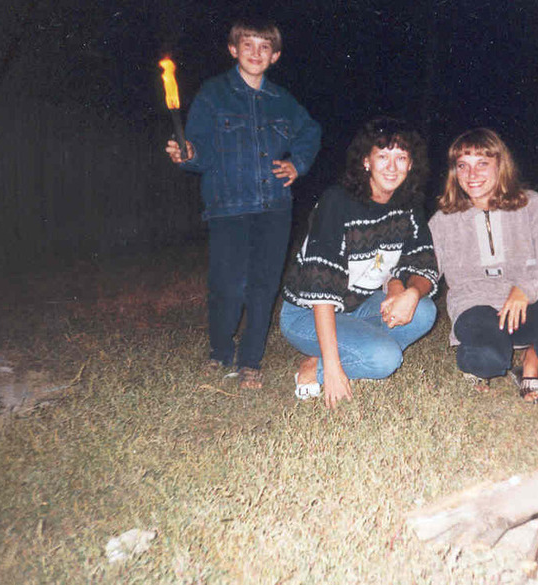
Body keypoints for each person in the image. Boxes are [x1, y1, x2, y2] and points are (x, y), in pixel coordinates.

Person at [165, 17, 321, 389]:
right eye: (247, 45)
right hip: (228, 206)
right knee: (227, 285)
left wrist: (297, 164)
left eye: (264, 46)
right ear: (233, 49)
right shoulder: (213, 94)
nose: (255, 52)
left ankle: (251, 360)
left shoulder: (283, 100)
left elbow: (310, 131)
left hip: (274, 207)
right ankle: (220, 352)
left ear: (275, 56)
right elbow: (199, 153)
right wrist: (187, 153)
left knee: (263, 286)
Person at [428, 128, 538, 403]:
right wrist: (399, 288)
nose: (472, 174)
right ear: (454, 172)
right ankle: (481, 358)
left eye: (482, 163)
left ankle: (530, 363)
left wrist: (526, 289)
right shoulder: (443, 220)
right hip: (477, 310)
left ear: (500, 165)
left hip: (526, 310)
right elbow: (422, 270)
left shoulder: (530, 205)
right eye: (463, 165)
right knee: (487, 360)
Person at [280, 117, 439, 408]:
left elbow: (423, 264)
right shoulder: (337, 202)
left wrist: (410, 291)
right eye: (383, 156)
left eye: (401, 157)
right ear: (366, 161)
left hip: (358, 305)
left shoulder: (409, 206)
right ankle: (316, 366)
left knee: (424, 310)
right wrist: (331, 367)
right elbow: (320, 290)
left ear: (411, 165)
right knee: (385, 359)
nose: (392, 167)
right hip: (306, 314)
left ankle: (341, 350)